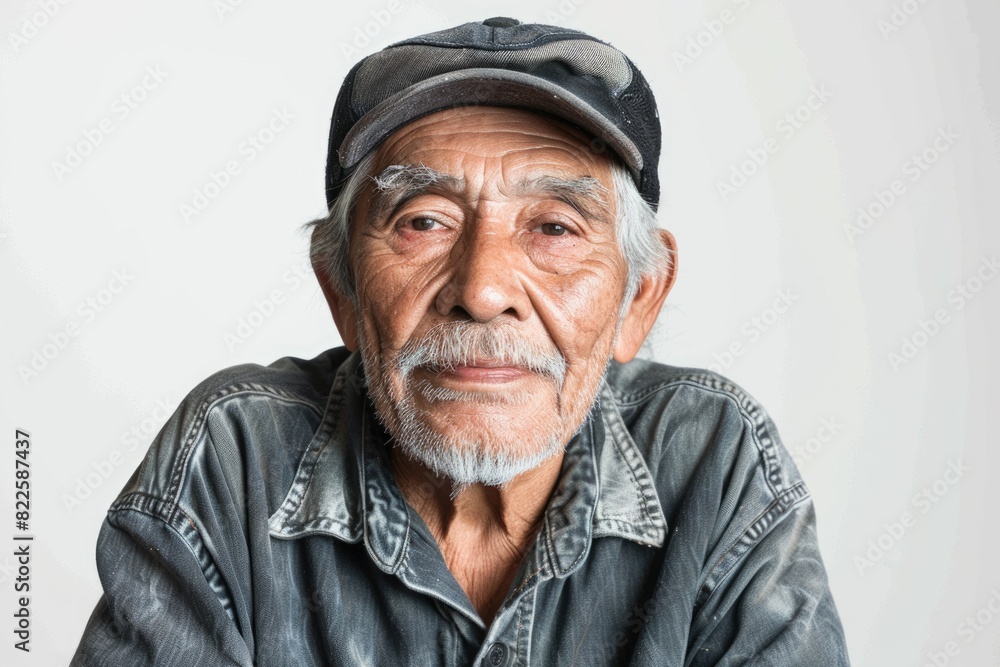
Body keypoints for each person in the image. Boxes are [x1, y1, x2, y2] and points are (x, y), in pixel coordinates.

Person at [71, 17, 850, 666]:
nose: (481, 290)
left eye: (554, 227)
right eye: (424, 221)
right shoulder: (234, 460)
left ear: (638, 298)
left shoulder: (713, 462)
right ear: (341, 290)